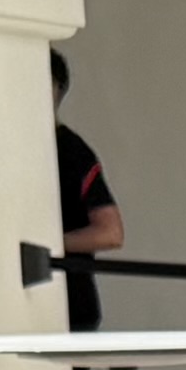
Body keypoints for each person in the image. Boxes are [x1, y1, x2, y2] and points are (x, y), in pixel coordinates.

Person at [48, 52, 126, 259]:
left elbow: (110, 233)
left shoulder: (71, 150)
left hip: (69, 283)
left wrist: (47, 247)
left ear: (57, 91)